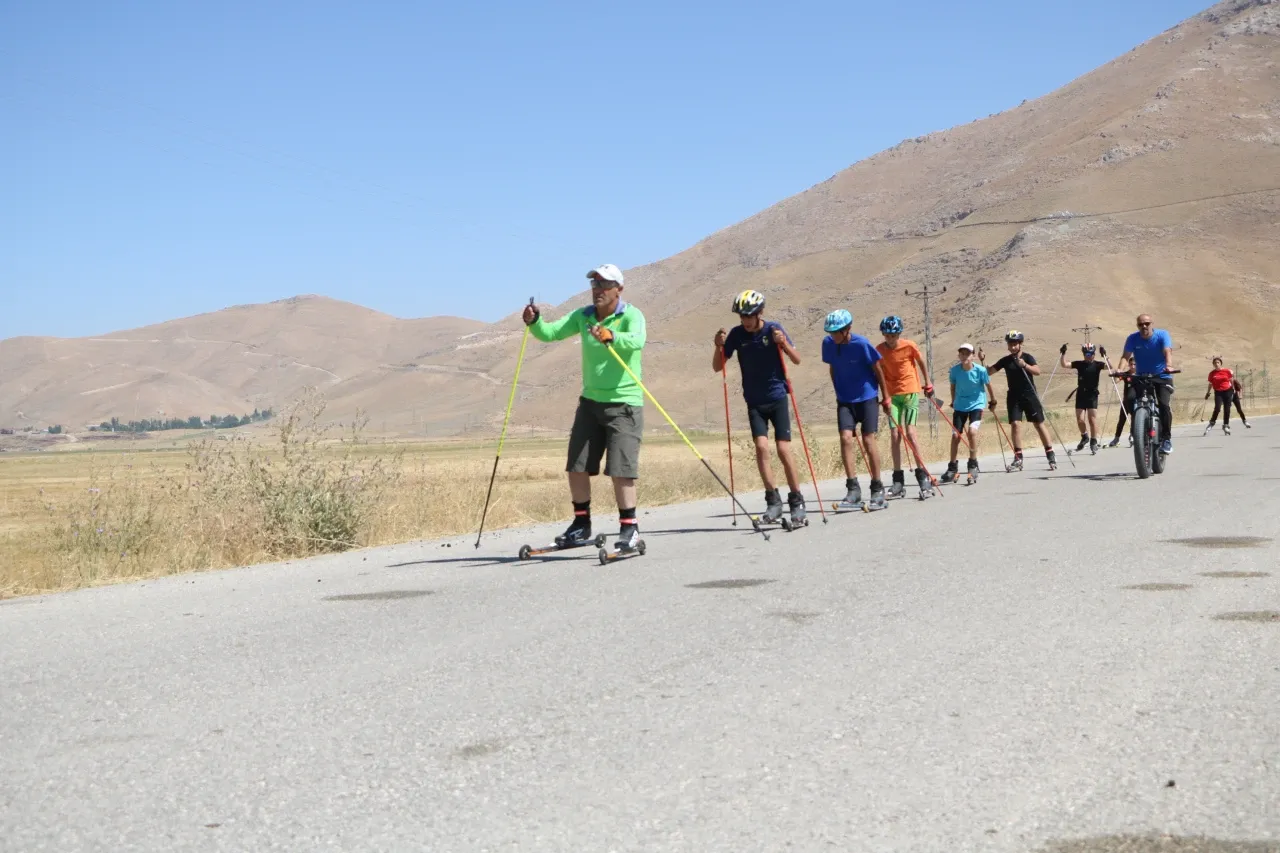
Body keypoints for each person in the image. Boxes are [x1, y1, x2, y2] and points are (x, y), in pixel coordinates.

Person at [522, 263, 647, 551]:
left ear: (619, 289)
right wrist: (534, 321)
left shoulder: (631, 315)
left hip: (624, 403)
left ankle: (630, 528)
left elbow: (638, 341)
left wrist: (611, 336)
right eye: (594, 285)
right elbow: (550, 333)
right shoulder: (584, 316)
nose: (597, 290)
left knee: (621, 469)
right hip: (590, 402)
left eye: (604, 285)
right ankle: (581, 524)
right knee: (576, 465)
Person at [712, 290, 804, 526]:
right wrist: (718, 347)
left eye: (749, 315)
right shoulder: (737, 334)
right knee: (761, 448)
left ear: (759, 313)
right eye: (742, 315)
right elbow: (717, 366)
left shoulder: (773, 329)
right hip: (754, 401)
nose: (745, 320)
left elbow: (797, 359)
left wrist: (782, 343)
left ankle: (797, 501)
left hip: (777, 397)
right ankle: (773, 502)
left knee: (783, 450)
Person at [822, 309, 891, 509]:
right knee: (845, 438)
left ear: (847, 329)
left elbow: (878, 368)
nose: (832, 336)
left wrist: (885, 397)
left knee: (868, 440)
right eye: (830, 332)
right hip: (844, 400)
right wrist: (838, 390)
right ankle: (853, 489)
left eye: (836, 332)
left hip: (867, 397)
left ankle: (877, 487)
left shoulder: (861, 344)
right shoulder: (828, 344)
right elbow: (833, 367)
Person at [875, 315, 935, 497]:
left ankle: (922, 476)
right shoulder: (878, 350)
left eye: (893, 335)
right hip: (892, 396)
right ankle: (898, 480)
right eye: (887, 335)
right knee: (894, 435)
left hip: (910, 392)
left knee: (910, 433)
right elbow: (877, 371)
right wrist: (882, 395)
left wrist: (928, 382)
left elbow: (921, 361)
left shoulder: (909, 346)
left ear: (899, 333)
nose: (890, 339)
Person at [980, 331, 1056, 471]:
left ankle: (1050, 454)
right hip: (1014, 396)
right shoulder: (1006, 360)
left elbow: (1037, 371)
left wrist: (1025, 365)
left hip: (1030, 395)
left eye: (1015, 344)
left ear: (1020, 344)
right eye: (1010, 344)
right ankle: (1018, 457)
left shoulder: (1027, 357)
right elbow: (989, 372)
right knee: (1015, 424)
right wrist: (983, 360)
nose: (1013, 347)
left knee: (1038, 424)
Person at [1120, 313, 1176, 453]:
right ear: (1137, 326)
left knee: (1163, 404)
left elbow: (1167, 351)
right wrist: (1119, 369)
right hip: (1141, 376)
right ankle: (1139, 430)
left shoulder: (1162, 335)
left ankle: (1167, 439)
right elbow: (1125, 357)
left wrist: (1169, 365)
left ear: (1152, 323)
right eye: (1140, 324)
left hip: (1162, 375)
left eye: (1147, 323)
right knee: (1131, 399)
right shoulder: (1132, 338)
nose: (1144, 326)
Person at [940, 343, 995, 483]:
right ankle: (952, 468)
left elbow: (988, 385)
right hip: (960, 406)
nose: (964, 356)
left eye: (967, 353)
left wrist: (993, 400)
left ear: (973, 356)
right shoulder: (954, 371)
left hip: (976, 405)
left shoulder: (981, 371)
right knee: (955, 436)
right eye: (962, 353)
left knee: (972, 432)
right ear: (959, 355)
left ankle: (972, 465)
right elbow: (953, 387)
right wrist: (953, 401)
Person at [1060, 342, 1106, 454]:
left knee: (1092, 419)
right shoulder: (1079, 364)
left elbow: (1110, 367)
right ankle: (1085, 436)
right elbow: (1064, 364)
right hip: (1081, 393)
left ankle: (1094, 441)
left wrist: (1105, 355)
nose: (1088, 356)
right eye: (1086, 354)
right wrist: (1063, 353)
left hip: (1092, 394)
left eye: (1090, 354)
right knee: (1080, 419)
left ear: (1094, 354)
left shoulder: (1098, 364)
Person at [1203, 357, 1243, 434]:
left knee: (1227, 409)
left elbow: (1231, 380)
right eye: (1215, 363)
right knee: (1217, 408)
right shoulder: (1212, 374)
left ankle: (1226, 424)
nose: (1216, 364)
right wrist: (1207, 392)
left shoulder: (1226, 371)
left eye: (1218, 362)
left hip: (1227, 391)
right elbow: (1210, 384)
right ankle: (1212, 422)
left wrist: (1233, 389)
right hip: (1218, 392)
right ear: (1213, 364)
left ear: (1221, 363)